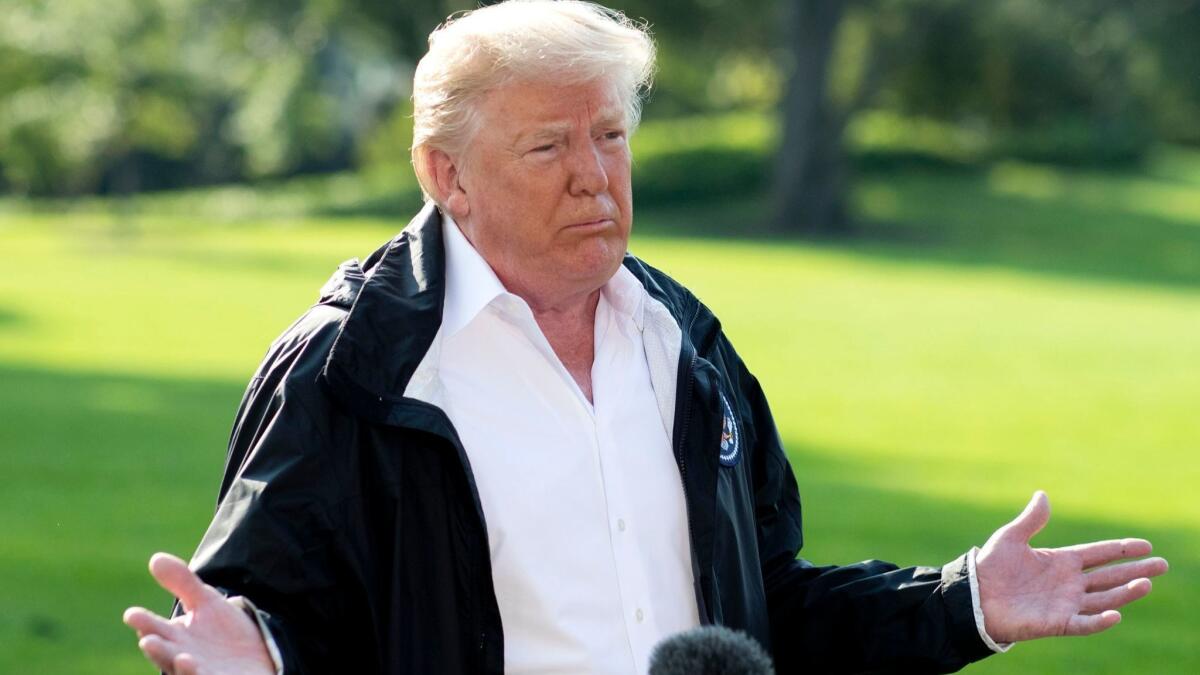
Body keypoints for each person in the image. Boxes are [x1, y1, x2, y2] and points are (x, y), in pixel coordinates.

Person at [122, 2, 1168, 674]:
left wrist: (963, 603)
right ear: (448, 177)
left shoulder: (686, 347)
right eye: (547, 146)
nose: (594, 174)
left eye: (610, 135)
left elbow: (773, 613)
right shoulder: (351, 368)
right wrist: (254, 661)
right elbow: (260, 628)